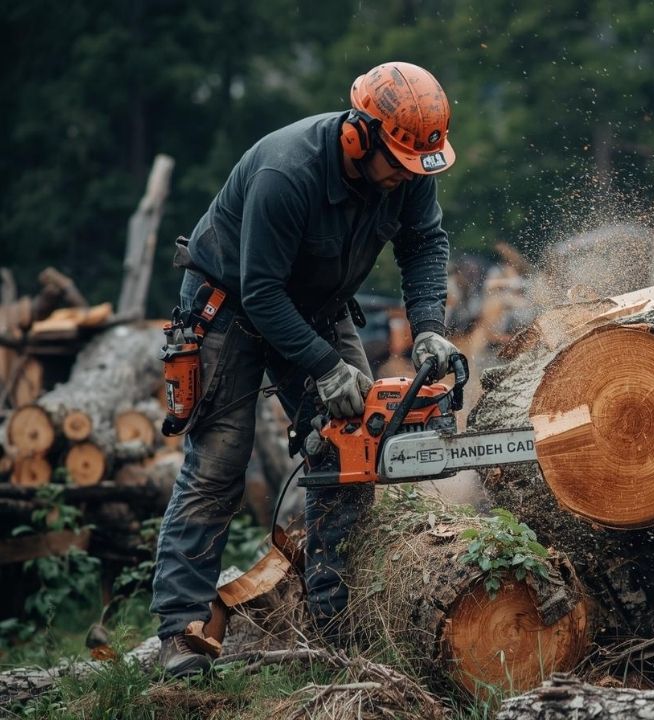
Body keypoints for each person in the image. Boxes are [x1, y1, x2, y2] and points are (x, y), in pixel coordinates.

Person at [151, 61, 462, 678]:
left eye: (415, 167)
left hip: (316, 304)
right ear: (359, 135)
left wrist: (428, 325)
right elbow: (262, 292)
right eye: (398, 163)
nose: (405, 178)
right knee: (219, 464)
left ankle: (332, 620)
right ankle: (181, 633)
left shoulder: (411, 170)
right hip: (230, 306)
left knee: (356, 444)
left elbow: (425, 243)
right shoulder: (287, 172)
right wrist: (325, 367)